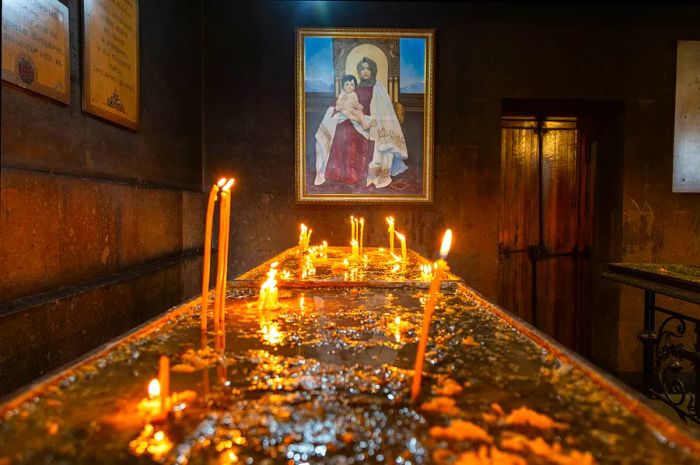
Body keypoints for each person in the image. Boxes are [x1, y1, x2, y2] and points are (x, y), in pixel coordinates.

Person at [314, 56, 408, 188]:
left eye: (368, 69)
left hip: (368, 122)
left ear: (373, 70)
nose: (365, 71)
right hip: (352, 119)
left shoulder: (377, 88)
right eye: (362, 69)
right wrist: (334, 108)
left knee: (353, 135)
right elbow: (342, 101)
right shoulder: (354, 86)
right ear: (359, 71)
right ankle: (339, 173)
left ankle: (357, 175)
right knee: (340, 130)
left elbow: (382, 109)